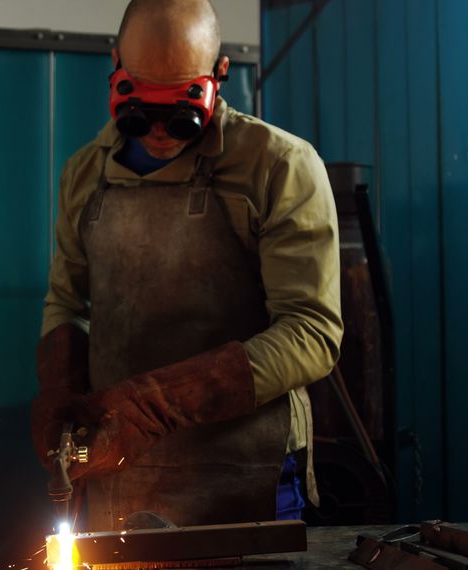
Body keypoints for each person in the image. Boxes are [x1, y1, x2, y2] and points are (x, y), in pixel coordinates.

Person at [32, 0, 342, 532]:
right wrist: (59, 384)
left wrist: (156, 404)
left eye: (180, 110)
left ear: (219, 75)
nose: (158, 130)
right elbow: (67, 300)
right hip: (119, 475)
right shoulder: (84, 173)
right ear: (116, 68)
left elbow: (313, 332)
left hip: (246, 473)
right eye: (141, 109)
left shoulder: (279, 166)